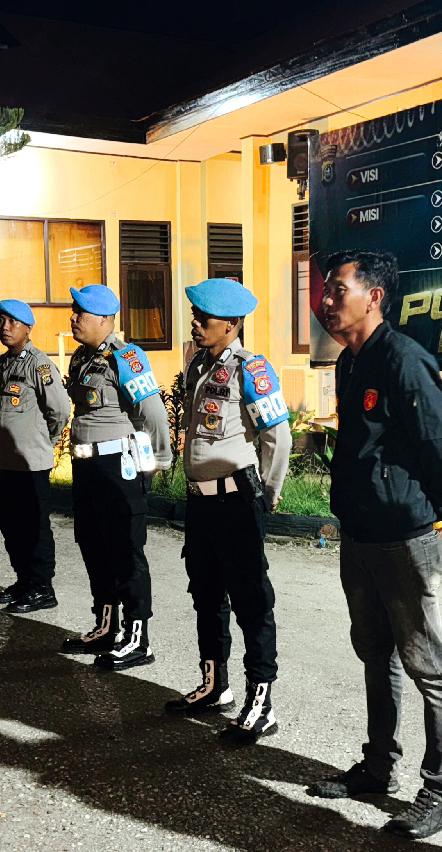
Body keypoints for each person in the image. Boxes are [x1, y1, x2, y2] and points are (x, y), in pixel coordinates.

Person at [307, 249, 442, 842]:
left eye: (339, 289)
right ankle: (379, 766)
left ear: (374, 296)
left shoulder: (403, 359)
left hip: (403, 536)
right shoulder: (350, 362)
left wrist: (437, 514)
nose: (327, 300)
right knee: (375, 654)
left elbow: (439, 445)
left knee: (427, 664)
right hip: (361, 534)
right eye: (326, 290)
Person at [163, 279, 290, 746]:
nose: (195, 324)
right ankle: (215, 685)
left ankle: (261, 702)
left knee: (251, 602)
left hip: (237, 501)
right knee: (206, 595)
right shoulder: (199, 364)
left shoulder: (250, 369)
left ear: (232, 324)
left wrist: (268, 493)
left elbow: (278, 437)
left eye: (204, 318)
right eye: (195, 316)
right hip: (201, 503)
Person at [58, 284, 171, 670]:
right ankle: (106, 627)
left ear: (105, 320)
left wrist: (158, 462)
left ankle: (138, 640)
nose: (73, 318)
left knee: (125, 552)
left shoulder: (127, 358)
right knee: (94, 546)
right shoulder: (81, 358)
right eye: (74, 310)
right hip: (87, 467)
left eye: (81, 312)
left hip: (117, 468)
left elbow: (153, 414)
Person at [0, 298, 71, 614]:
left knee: (35, 528)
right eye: (1, 320)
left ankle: (42, 588)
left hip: (31, 464)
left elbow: (59, 411)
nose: (5, 327)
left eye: (12, 322)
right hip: (6, 463)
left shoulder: (40, 365)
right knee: (11, 525)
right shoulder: (3, 364)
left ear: (28, 328)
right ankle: (24, 582)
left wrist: (46, 442)